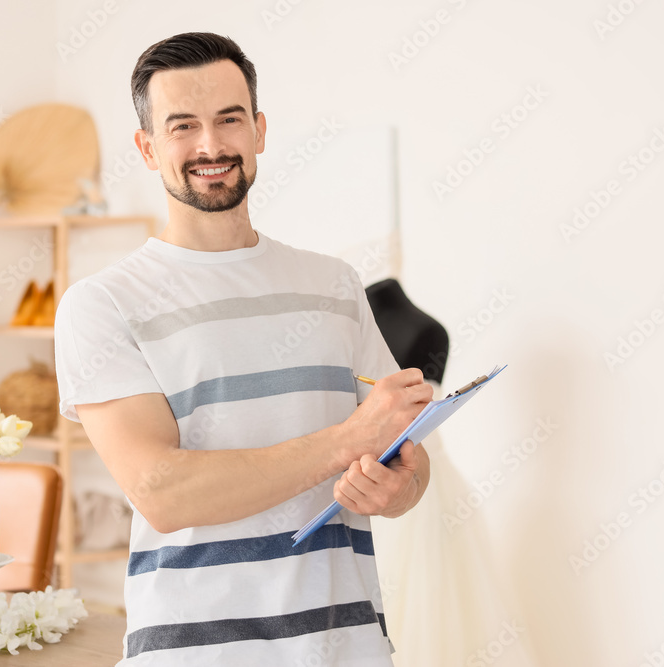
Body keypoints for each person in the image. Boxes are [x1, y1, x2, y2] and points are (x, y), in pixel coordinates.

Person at [54, 32, 433, 666]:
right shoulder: (103, 305)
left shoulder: (334, 284)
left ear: (258, 130)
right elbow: (162, 492)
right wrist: (345, 443)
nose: (211, 145)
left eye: (229, 119)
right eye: (183, 126)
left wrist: (399, 488)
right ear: (147, 149)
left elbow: (407, 461)